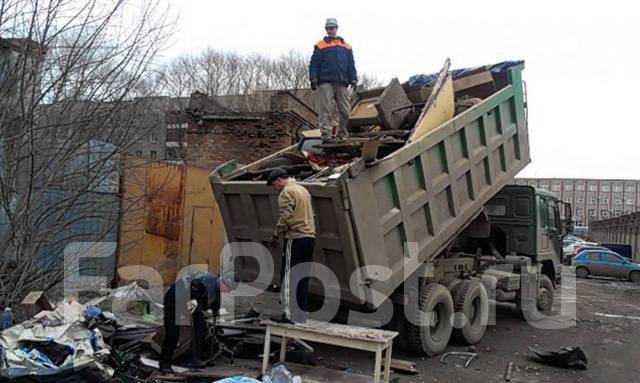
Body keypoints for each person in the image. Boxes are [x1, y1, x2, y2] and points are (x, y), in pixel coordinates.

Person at [160, 271, 238, 372]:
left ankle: (193, 357)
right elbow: (195, 302)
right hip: (175, 299)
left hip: (193, 301)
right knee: (173, 333)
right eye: (228, 289)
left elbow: (213, 301)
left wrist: (215, 310)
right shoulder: (205, 284)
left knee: (201, 329)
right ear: (224, 282)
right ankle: (165, 364)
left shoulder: (216, 285)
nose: (228, 292)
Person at [267, 168, 316, 324]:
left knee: (288, 277)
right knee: (302, 277)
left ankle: (288, 315)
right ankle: (301, 315)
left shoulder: (286, 193)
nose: (275, 188)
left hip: (295, 238)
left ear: (279, 180)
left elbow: (286, 218)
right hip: (309, 237)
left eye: (274, 184)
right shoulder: (303, 190)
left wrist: (275, 234)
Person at [309, 17, 357, 144]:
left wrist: (353, 79)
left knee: (346, 111)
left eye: (332, 28)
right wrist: (313, 78)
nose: (330, 30)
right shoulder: (320, 45)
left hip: (342, 82)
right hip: (325, 82)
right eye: (328, 28)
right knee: (325, 110)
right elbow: (314, 64)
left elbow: (351, 65)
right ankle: (326, 136)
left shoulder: (346, 46)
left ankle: (342, 135)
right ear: (326, 29)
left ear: (337, 28)